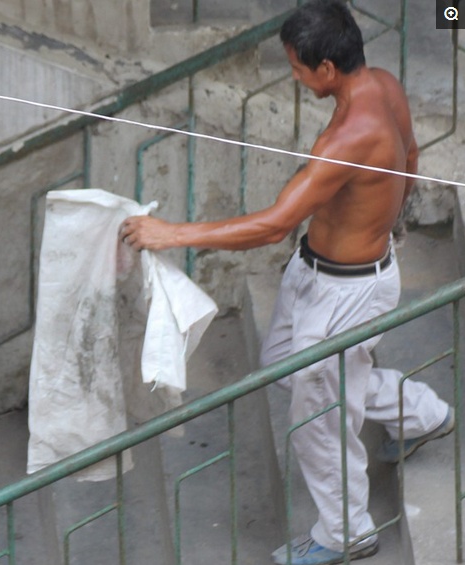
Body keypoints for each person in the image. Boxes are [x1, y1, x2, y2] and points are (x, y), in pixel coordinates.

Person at [120, 1, 452, 563]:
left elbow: (273, 225)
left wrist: (171, 234)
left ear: (327, 69)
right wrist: (383, 221)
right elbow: (411, 156)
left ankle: (347, 533)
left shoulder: (348, 136)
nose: (294, 76)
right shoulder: (384, 84)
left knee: (315, 416)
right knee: (290, 367)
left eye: (298, 66)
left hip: (347, 291)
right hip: (324, 272)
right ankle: (423, 414)